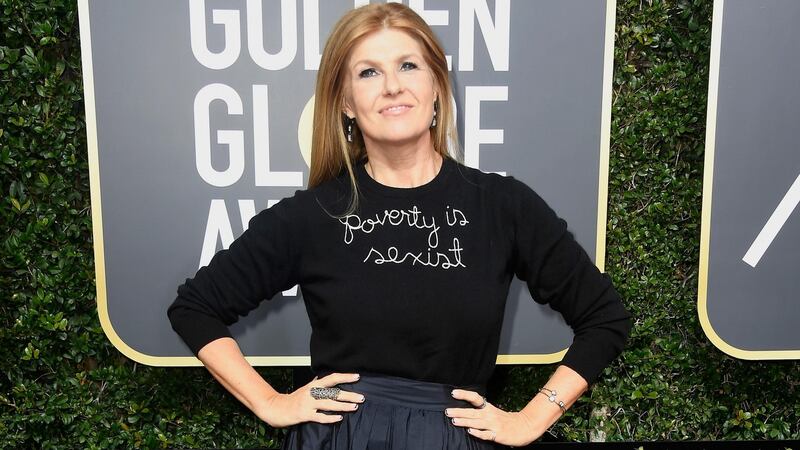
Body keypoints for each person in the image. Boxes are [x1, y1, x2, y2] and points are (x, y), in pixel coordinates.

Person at [167, 3, 631, 449]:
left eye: (408, 66)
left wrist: (532, 418)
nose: (392, 86)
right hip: (337, 438)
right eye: (369, 72)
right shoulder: (312, 215)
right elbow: (194, 307)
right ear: (346, 102)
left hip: (454, 440)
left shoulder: (502, 206)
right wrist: (271, 402)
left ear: (437, 85)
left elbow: (604, 317)